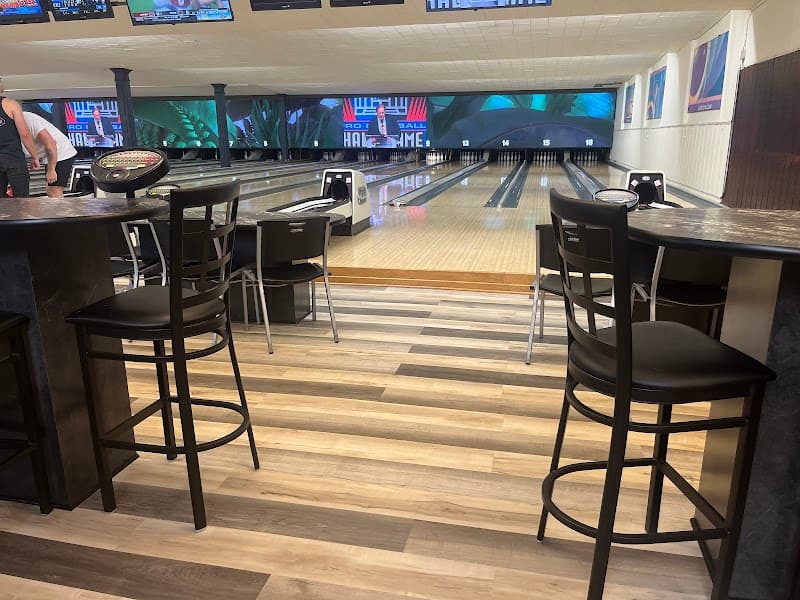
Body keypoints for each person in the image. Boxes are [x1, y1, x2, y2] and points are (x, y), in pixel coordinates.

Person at [22, 111, 78, 198]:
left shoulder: (28, 120)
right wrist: (34, 156)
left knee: (54, 191)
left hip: (60, 151)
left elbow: (51, 143)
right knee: (51, 190)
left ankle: (60, 207)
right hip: (47, 153)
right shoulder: (12, 122)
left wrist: (51, 169)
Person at [0, 78, 40, 198]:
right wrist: (35, 156)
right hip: (13, 158)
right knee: (21, 200)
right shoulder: (10, 104)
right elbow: (24, 133)